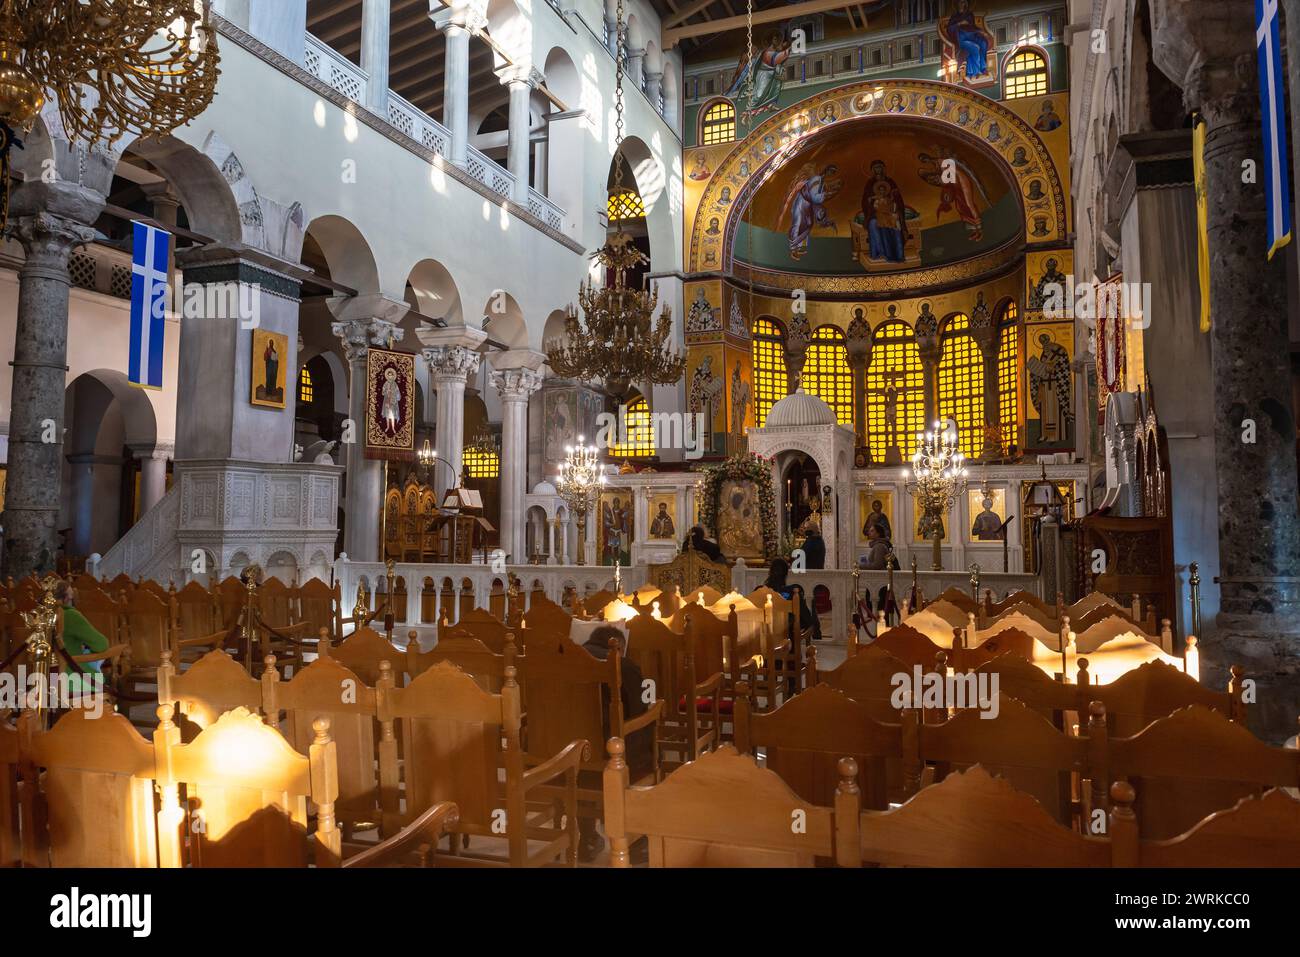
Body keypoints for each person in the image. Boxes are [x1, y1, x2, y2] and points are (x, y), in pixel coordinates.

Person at [577, 625, 650, 864]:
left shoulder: (562, 661)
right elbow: (639, 710)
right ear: (619, 646)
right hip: (609, 756)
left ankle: (587, 835)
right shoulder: (623, 665)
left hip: (566, 755)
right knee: (642, 735)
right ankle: (636, 840)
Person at [54, 581, 109, 695]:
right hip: (71, 676)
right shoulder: (70, 615)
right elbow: (101, 645)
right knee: (105, 682)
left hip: (40, 676)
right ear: (68, 597)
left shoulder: (38, 614)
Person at [764, 557, 820, 642]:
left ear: (770, 572)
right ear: (785, 574)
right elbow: (806, 617)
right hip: (785, 634)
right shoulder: (792, 592)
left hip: (765, 632)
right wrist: (812, 625)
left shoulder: (760, 591)